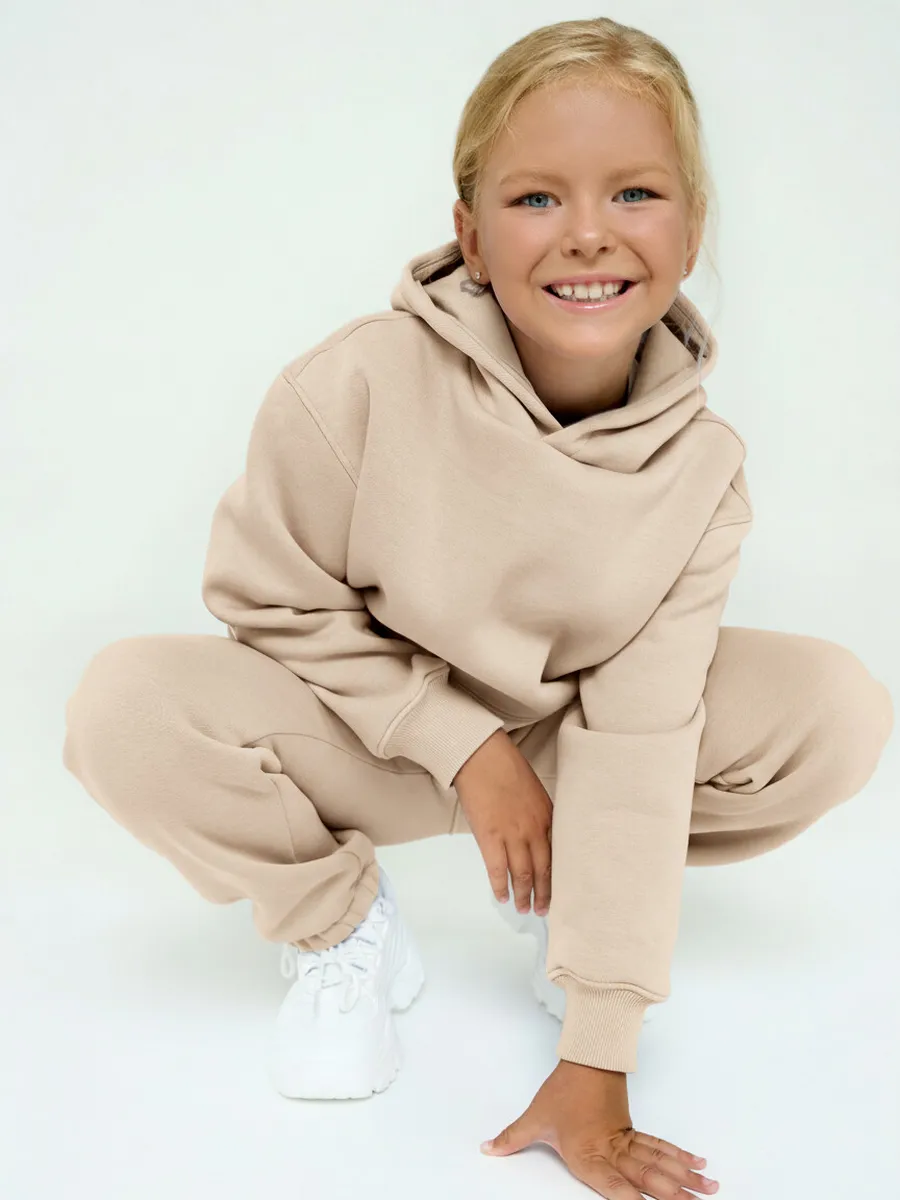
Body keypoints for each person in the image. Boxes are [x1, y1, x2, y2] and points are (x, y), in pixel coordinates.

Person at [61, 16, 893, 1200]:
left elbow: (642, 735)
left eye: (636, 192)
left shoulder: (702, 471)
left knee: (834, 710)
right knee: (123, 709)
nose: (589, 232)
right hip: (374, 741)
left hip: (571, 761)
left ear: (693, 230)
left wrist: (598, 1053)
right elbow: (269, 604)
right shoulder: (353, 383)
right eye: (537, 199)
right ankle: (343, 925)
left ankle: (574, 901)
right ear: (470, 235)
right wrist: (465, 748)